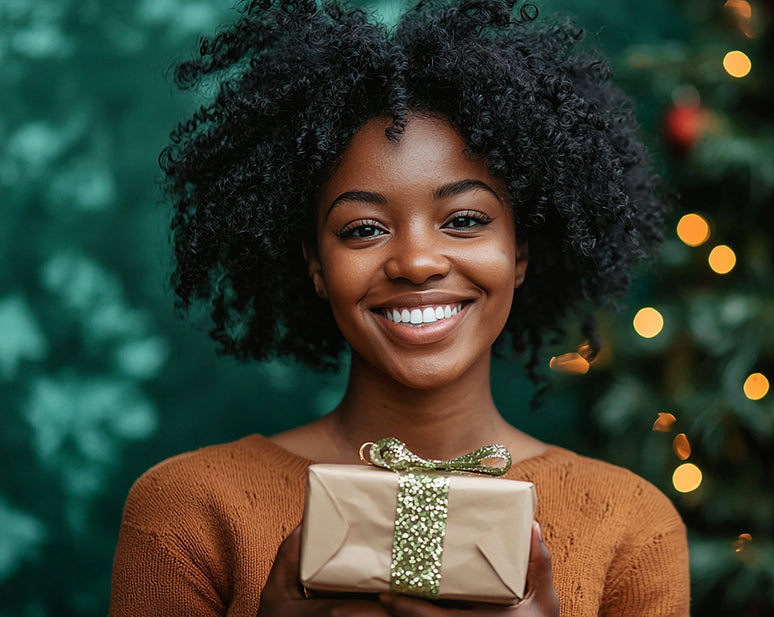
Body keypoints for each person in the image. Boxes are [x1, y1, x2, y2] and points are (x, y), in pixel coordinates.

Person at [109, 1, 689, 616]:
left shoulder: (631, 524)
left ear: (519, 251)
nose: (416, 262)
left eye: (465, 220)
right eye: (362, 229)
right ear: (314, 264)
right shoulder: (186, 510)